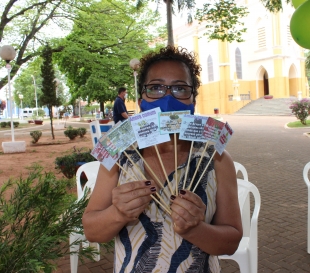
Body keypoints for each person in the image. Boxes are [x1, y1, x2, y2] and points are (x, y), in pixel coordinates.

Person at [82, 46, 243, 273]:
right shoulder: (121, 157)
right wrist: (117, 213)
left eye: (179, 88)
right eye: (156, 88)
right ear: (141, 100)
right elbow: (92, 231)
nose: (168, 98)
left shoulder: (216, 159)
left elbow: (231, 241)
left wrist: (195, 229)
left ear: (192, 100)